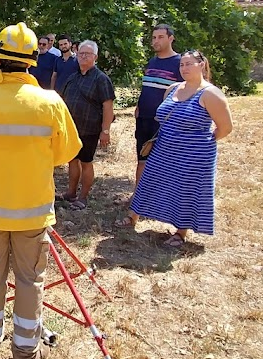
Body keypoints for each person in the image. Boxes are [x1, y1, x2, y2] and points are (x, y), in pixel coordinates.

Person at [0, 22, 81, 359]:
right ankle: (26, 351)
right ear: (31, 62)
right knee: (30, 280)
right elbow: (65, 152)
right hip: (32, 211)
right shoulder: (50, 103)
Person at [124, 50, 233, 246]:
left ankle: (180, 232)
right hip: (164, 149)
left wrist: (199, 143)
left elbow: (225, 128)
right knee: (149, 180)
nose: (184, 68)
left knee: (185, 191)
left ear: (201, 65)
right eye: (182, 64)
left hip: (193, 155)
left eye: (189, 64)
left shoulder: (210, 94)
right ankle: (133, 216)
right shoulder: (173, 88)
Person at [58, 41, 115, 210]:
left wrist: (105, 131)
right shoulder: (72, 77)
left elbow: (108, 106)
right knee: (72, 160)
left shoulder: (101, 79)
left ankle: (83, 197)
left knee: (86, 162)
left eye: (87, 54)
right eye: (81, 53)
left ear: (95, 57)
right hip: (71, 128)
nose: (83, 56)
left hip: (90, 130)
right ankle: (71, 193)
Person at [134, 24, 182, 188]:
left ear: (171, 38)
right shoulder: (152, 62)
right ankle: (138, 197)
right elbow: (146, 88)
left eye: (160, 37)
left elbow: (184, 93)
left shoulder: (179, 63)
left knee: (164, 162)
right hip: (144, 119)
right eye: (154, 37)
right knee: (142, 159)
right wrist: (138, 107)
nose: (156, 41)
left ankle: (161, 197)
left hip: (164, 121)